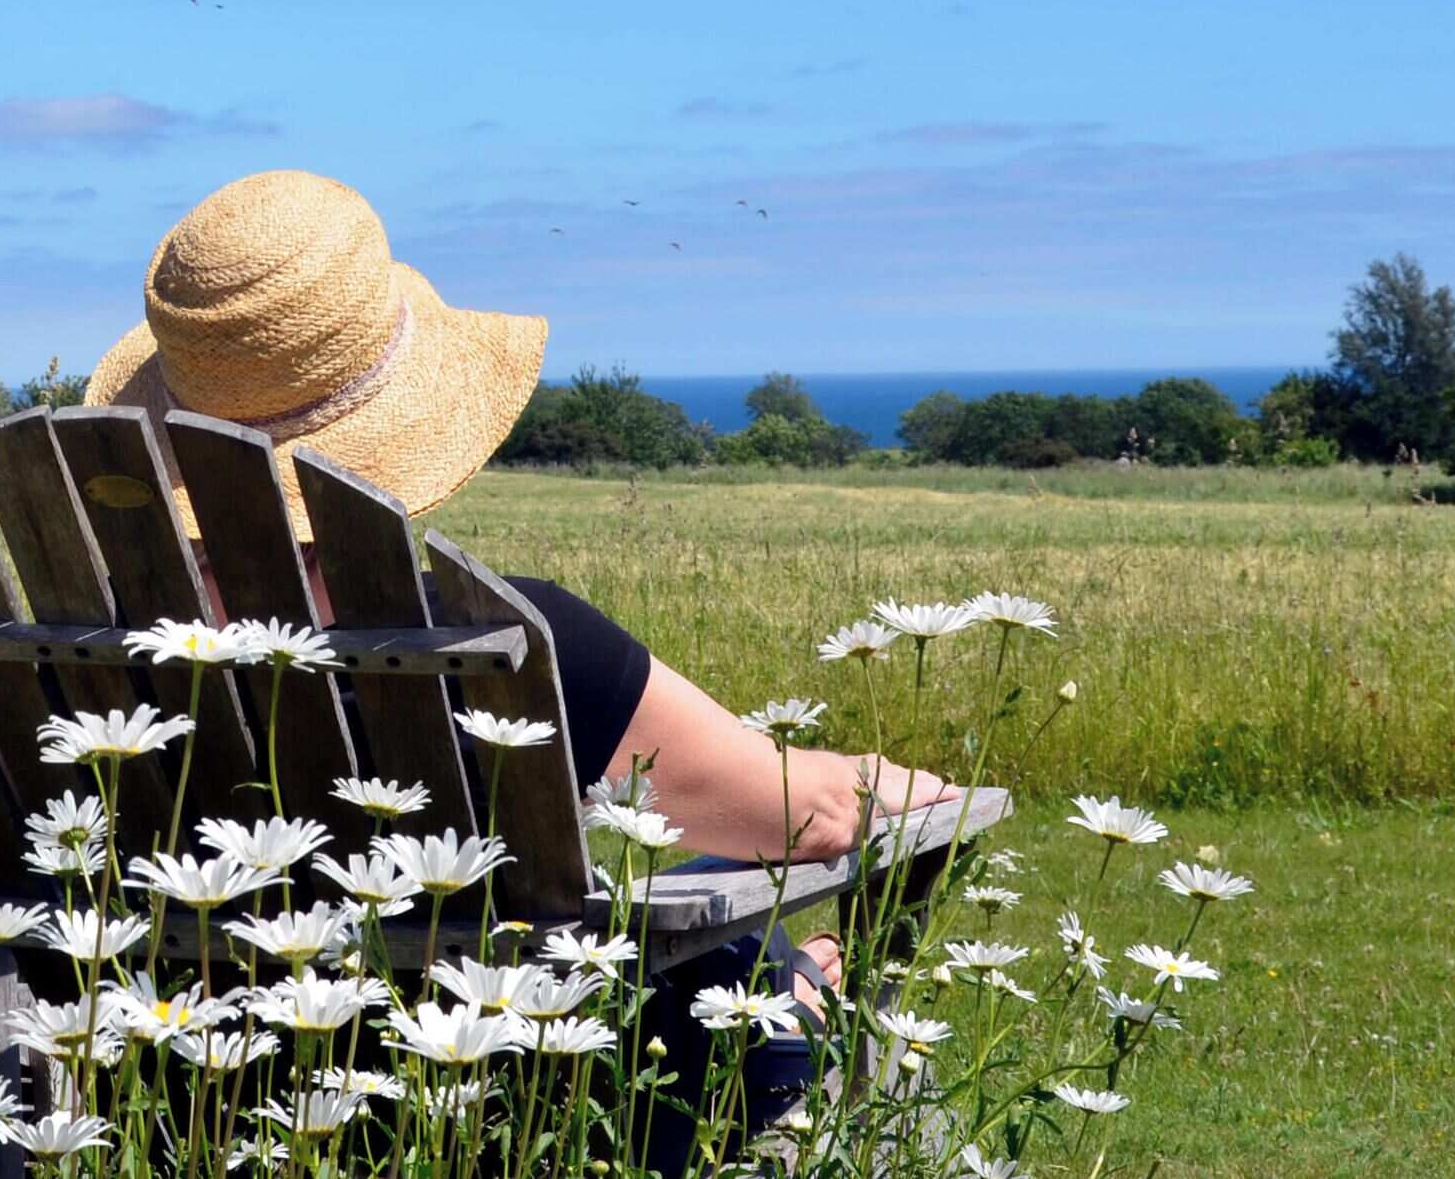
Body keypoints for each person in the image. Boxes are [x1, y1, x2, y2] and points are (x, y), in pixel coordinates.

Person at [81, 170, 963, 952]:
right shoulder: (506, 643)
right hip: (509, 1091)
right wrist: (874, 778)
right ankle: (814, 986)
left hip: (176, 1096)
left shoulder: (70, 652)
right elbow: (795, 813)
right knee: (778, 976)